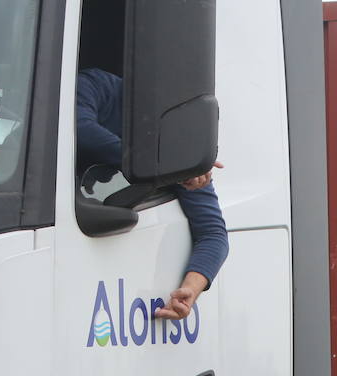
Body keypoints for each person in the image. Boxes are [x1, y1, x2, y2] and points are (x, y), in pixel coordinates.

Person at [74, 67, 228, 319]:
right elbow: (80, 129)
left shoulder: (176, 143)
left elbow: (213, 233)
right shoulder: (98, 85)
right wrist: (164, 166)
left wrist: (189, 290)